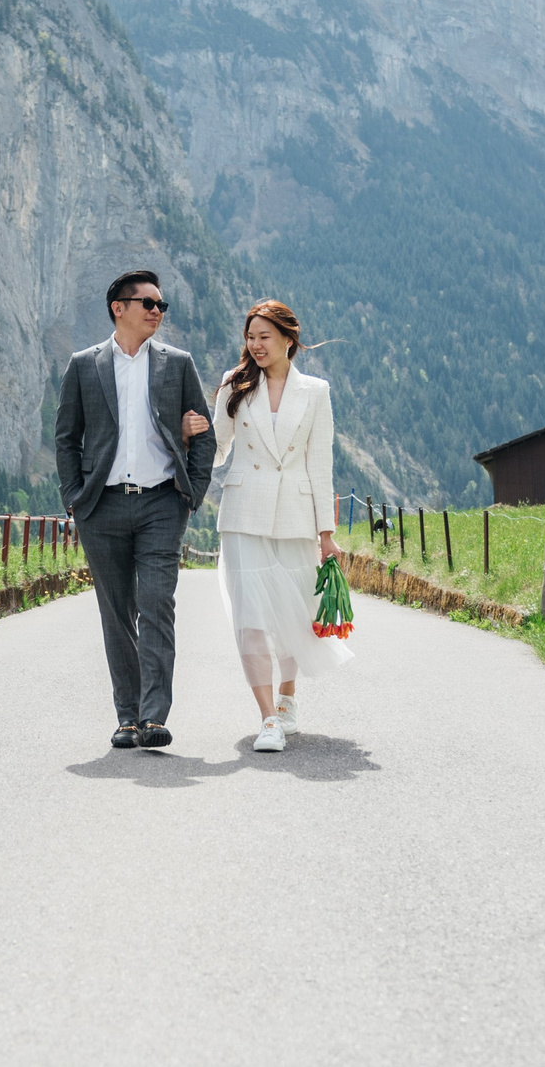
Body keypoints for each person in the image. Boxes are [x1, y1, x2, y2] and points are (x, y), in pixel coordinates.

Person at [54, 270, 215, 750]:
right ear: (117, 308)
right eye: (147, 303)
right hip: (101, 507)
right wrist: (75, 499)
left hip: (162, 504)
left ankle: (152, 718)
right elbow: (66, 438)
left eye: (162, 305)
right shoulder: (84, 366)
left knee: (156, 606)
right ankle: (126, 717)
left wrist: (193, 492)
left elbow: (201, 430)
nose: (157, 312)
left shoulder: (178, 364)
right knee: (116, 613)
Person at [207, 299, 349, 752]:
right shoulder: (235, 383)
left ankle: (288, 698)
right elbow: (217, 448)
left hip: (295, 515)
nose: (255, 345)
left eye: (264, 337)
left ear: (289, 339)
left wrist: (326, 534)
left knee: (293, 611)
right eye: (250, 337)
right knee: (250, 618)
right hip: (243, 512)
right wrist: (189, 436)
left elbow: (320, 464)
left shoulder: (316, 392)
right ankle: (267, 718)